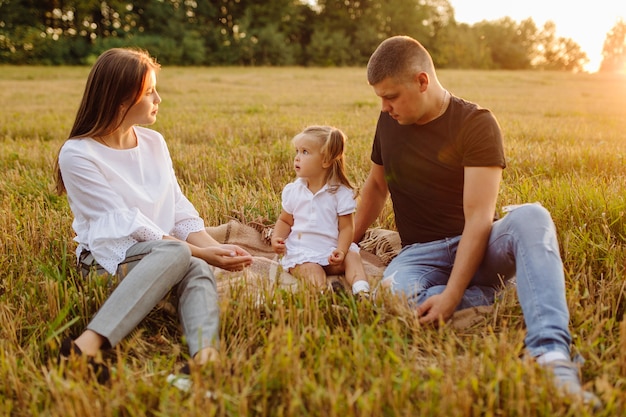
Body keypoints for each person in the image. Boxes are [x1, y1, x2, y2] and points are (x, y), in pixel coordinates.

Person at [353, 35, 601, 408]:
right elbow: (375, 186)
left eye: (391, 96)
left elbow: (479, 218)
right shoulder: (389, 121)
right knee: (392, 297)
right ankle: (505, 292)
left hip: (480, 243)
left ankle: (551, 356)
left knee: (532, 215)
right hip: (420, 252)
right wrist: (343, 245)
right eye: (380, 99)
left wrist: (453, 296)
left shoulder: (476, 123)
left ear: (422, 81)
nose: (385, 107)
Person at [54, 47, 253, 385]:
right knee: (185, 255)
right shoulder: (77, 155)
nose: (158, 98)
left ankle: (206, 360)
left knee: (195, 264)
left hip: (164, 253)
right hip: (105, 263)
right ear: (120, 99)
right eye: (149, 92)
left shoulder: (154, 142)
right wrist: (201, 251)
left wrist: (209, 248)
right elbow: (127, 225)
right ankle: (84, 349)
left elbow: (176, 207)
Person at [271, 125, 371, 298]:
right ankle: (324, 294)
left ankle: (361, 291)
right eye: (297, 151)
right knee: (311, 270)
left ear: (326, 160)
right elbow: (285, 221)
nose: (297, 158)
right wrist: (276, 238)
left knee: (352, 257)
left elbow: (347, 228)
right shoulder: (294, 190)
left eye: (305, 152)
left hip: (331, 251)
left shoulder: (340, 192)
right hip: (303, 253)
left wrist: (341, 250)